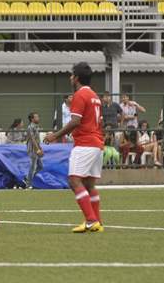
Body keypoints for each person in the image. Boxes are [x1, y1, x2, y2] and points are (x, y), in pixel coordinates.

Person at [44, 62, 104, 233]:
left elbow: (75, 121)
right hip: (96, 142)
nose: (70, 77)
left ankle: (91, 220)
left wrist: (55, 136)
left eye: (71, 75)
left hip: (85, 144)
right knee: (89, 184)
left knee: (74, 181)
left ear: (76, 78)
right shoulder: (94, 95)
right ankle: (97, 222)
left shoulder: (80, 95)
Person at [25, 112, 43, 189]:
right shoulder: (30, 127)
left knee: (40, 166)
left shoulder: (36, 126)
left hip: (36, 149)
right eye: (36, 117)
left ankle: (27, 178)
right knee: (33, 167)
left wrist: (40, 148)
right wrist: (37, 149)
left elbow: (37, 139)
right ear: (32, 119)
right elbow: (32, 140)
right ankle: (28, 185)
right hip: (32, 150)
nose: (38, 118)